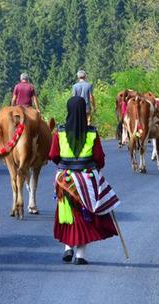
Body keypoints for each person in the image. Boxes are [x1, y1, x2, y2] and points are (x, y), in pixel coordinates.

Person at [49, 96, 120, 265]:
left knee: (68, 215)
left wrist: (64, 164)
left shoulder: (59, 132)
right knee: (85, 216)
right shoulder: (92, 133)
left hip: (65, 180)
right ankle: (80, 255)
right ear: (83, 112)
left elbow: (53, 155)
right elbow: (99, 158)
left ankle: (68, 247)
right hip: (87, 179)